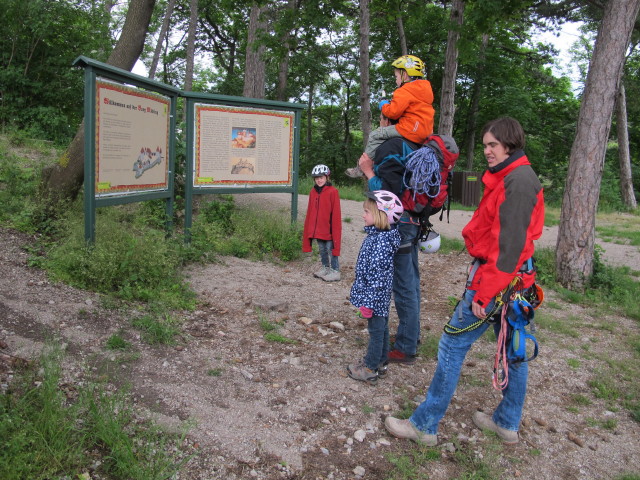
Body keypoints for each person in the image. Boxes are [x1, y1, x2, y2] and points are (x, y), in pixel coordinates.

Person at [384, 117, 545, 446]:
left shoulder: (518, 182)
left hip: (498, 280)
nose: (487, 151)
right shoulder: (512, 176)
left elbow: (508, 247)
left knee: (452, 346)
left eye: (493, 145)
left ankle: (425, 425)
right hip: (513, 281)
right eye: (485, 145)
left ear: (510, 144)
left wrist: (485, 294)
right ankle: (506, 422)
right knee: (513, 350)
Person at [359, 114, 423, 366]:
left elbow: (388, 195)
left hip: (400, 222)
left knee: (403, 286)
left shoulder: (391, 146)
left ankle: (406, 346)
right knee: (412, 283)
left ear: (388, 122)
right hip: (415, 220)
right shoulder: (416, 145)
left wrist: (367, 171)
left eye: (382, 120)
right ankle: (411, 336)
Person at [346, 55, 435, 178]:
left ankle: (361, 168)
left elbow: (393, 112)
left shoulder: (404, 90)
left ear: (405, 74)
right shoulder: (425, 90)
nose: (396, 80)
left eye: (396, 76)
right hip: (425, 133)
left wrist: (383, 104)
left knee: (375, 135)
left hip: (408, 129)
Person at [347, 190, 403, 384]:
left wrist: (368, 303)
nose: (363, 215)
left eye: (367, 212)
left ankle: (370, 367)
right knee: (382, 327)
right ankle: (381, 361)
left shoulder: (380, 241)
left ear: (381, 215)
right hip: (378, 295)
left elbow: (377, 276)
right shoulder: (380, 236)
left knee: (376, 330)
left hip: (375, 296)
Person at [302, 164, 342, 282]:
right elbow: (310, 211)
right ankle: (325, 267)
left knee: (331, 249)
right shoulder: (312, 192)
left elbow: (336, 213)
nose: (319, 180)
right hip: (318, 228)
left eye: (321, 177)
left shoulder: (333, 191)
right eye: (317, 178)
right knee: (322, 249)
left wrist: (333, 228)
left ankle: (335, 271)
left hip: (328, 228)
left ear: (327, 177)